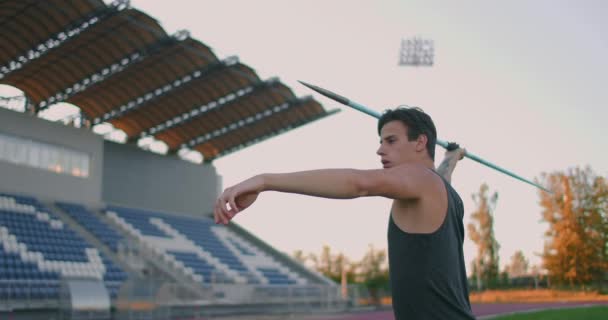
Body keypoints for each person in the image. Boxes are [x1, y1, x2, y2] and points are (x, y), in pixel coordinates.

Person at [214, 107, 476, 319]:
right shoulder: (442, 191)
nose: (380, 149)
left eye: (391, 140)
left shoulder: (420, 178)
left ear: (420, 142)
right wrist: (452, 156)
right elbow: (443, 175)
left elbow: (358, 183)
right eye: (381, 141)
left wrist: (265, 180)